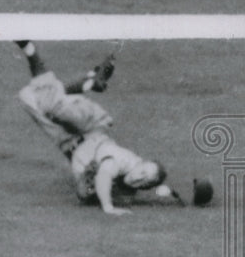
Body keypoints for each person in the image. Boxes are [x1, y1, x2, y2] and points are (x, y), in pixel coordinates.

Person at [15, 40, 168, 214]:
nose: (139, 177)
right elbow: (104, 174)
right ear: (140, 161)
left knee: (28, 97)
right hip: (91, 125)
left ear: (146, 186)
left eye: (145, 179)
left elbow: (86, 193)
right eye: (142, 171)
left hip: (69, 142)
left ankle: (87, 82)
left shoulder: (126, 195)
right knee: (51, 105)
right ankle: (29, 48)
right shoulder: (124, 161)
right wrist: (108, 207)